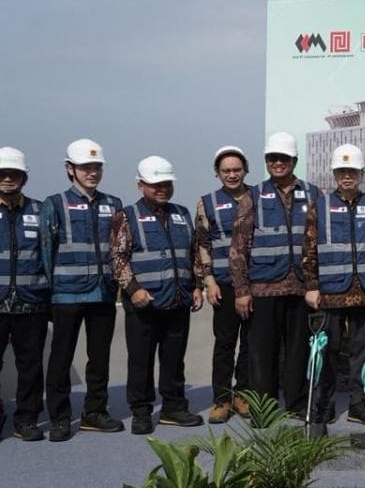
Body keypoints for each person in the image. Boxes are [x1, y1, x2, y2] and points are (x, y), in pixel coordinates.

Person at [110, 156, 204, 434]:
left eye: (166, 183)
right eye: (155, 184)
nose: (162, 188)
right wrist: (133, 289)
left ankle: (174, 408)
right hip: (143, 304)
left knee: (174, 359)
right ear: (140, 185)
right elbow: (118, 258)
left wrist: (197, 285)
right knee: (141, 360)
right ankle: (141, 411)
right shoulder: (126, 216)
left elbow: (194, 253)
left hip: (178, 300)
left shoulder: (182, 214)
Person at [229, 131, 320, 415]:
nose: (277, 163)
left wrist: (315, 285)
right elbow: (238, 248)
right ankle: (263, 410)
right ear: (267, 161)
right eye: (272, 158)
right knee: (262, 355)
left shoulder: (314, 193)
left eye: (283, 158)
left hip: (300, 290)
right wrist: (242, 291)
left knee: (297, 353)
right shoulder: (252, 196)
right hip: (263, 290)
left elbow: (318, 244)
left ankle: (295, 406)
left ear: (294, 160)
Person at [41, 138, 124, 441]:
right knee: (61, 359)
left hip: (102, 295)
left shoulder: (113, 204)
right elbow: (45, 251)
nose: (92, 172)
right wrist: (49, 293)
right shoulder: (54, 204)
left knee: (99, 358)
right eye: (86, 167)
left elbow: (118, 250)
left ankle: (94, 412)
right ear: (70, 169)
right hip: (65, 296)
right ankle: (60, 418)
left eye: (96, 167)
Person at [313, 144, 365, 424]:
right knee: (327, 350)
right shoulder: (320, 206)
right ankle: (323, 404)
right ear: (334, 174)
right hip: (330, 292)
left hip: (364, 292)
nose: (347, 176)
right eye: (341, 171)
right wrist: (311, 286)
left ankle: (358, 404)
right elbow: (308, 248)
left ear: (361, 173)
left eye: (352, 171)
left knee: (362, 353)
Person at [193, 145, 252, 423]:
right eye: (226, 171)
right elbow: (202, 243)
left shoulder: (258, 197)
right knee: (225, 343)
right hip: (223, 284)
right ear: (217, 173)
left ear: (245, 170)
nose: (232, 175)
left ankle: (243, 395)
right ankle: (221, 399)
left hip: (255, 283)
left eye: (236, 170)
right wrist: (208, 280)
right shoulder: (207, 202)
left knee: (251, 344)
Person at [0, 147, 50, 441]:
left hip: (31, 302)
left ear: (24, 178)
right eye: (3, 174)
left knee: (30, 364)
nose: (8, 179)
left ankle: (27, 419)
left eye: (14, 174)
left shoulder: (40, 211)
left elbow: (49, 256)